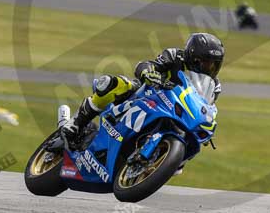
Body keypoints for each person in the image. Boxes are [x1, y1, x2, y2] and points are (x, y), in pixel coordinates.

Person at [61, 32, 224, 149]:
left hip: (176, 112)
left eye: (214, 64)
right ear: (193, 57)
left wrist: (207, 123)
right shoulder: (175, 56)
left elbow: (207, 107)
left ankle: (161, 158)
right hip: (149, 94)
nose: (209, 68)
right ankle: (76, 123)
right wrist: (149, 73)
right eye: (206, 62)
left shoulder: (214, 86)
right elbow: (145, 65)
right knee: (114, 84)